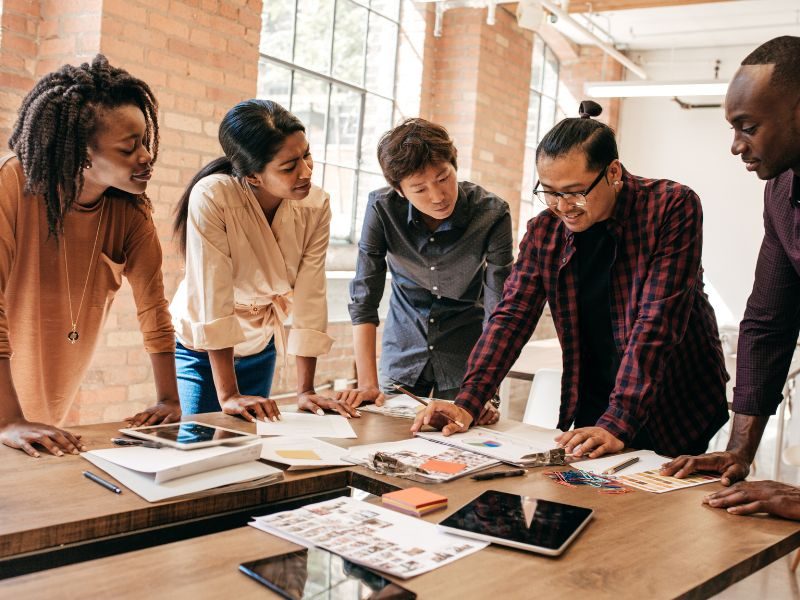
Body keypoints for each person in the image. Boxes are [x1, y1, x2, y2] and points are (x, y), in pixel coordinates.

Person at [412, 101, 730, 460]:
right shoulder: (545, 231)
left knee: (656, 506)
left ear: (612, 173)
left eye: (575, 192)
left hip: (673, 395)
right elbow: (511, 317)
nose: (562, 207)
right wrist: (468, 401)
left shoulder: (671, 207)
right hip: (598, 398)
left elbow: (657, 322)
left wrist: (619, 420)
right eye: (549, 191)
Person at [0, 55, 181, 457]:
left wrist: (169, 397)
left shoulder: (131, 214)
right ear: (83, 152)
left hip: (42, 409)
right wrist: (8, 419)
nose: (146, 156)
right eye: (129, 147)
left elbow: (154, 308)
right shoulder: (11, 184)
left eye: (145, 142)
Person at [661, 36, 800, 520]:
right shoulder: (782, 192)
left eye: (749, 126)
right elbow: (767, 324)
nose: (736, 145)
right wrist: (740, 450)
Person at [171, 99, 358, 422]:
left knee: (251, 444)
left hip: (260, 343)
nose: (306, 172)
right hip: (201, 349)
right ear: (253, 176)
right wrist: (228, 395)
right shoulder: (213, 196)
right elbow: (212, 297)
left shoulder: (316, 205)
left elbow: (311, 294)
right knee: (201, 441)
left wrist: (306, 391)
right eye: (289, 167)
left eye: (307, 155)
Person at [336, 118, 512, 425]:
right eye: (419, 188)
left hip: (466, 359)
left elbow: (500, 310)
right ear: (400, 190)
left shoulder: (492, 213)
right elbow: (364, 297)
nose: (437, 195)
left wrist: (485, 389)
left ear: (454, 165)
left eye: (444, 178)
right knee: (385, 441)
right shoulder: (381, 208)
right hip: (403, 350)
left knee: (459, 451)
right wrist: (367, 383)